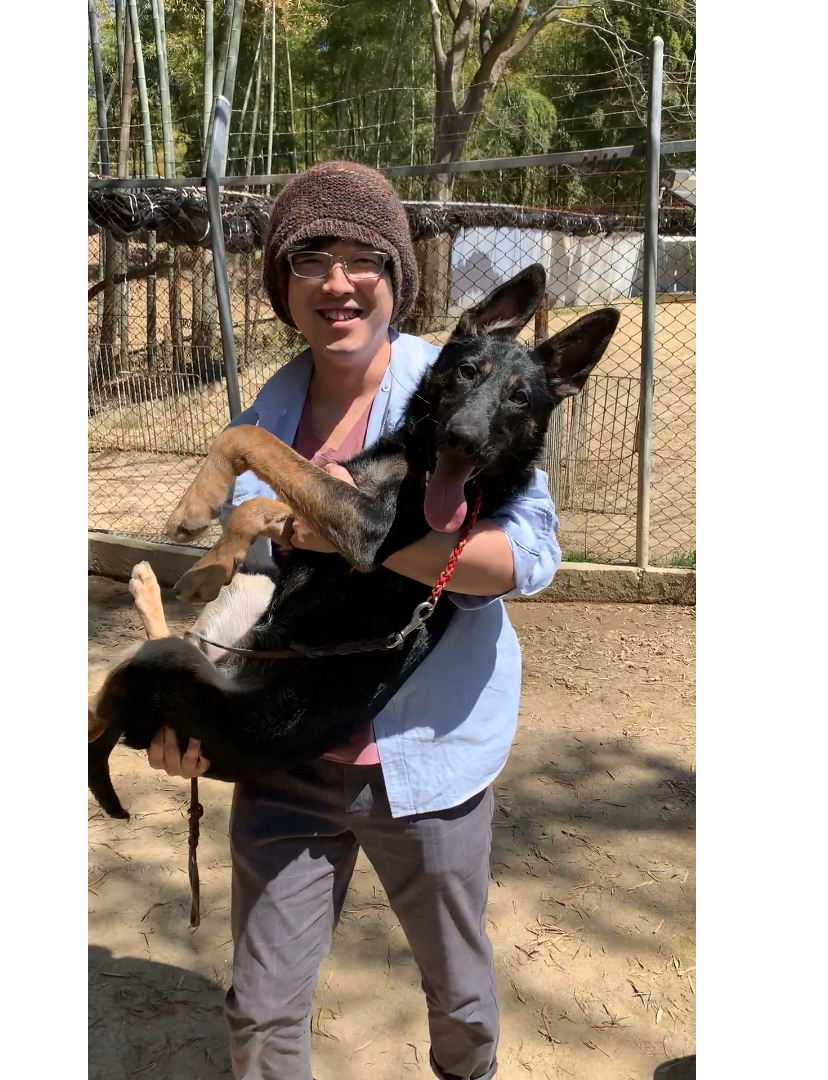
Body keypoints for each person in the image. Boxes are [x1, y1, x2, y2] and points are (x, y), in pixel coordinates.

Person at [144, 160, 562, 1080]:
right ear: (283, 284)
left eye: (363, 256)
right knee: (260, 1010)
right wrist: (194, 712)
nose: (338, 281)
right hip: (289, 748)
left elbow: (527, 558)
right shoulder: (272, 406)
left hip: (422, 763)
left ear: (396, 276)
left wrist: (356, 534)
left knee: (458, 995)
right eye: (310, 257)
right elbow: (260, 585)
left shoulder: (457, 386)